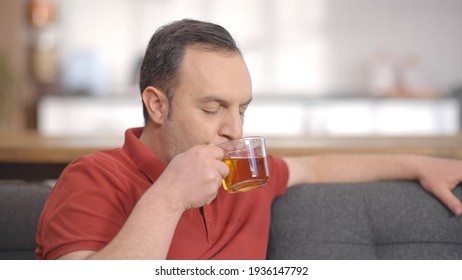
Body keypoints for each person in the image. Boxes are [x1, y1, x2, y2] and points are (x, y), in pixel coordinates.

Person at [35, 19, 462, 260]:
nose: (234, 131)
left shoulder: (242, 172)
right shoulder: (92, 178)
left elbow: (317, 167)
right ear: (157, 106)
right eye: (212, 107)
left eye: (242, 109)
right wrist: (168, 197)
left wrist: (421, 164)